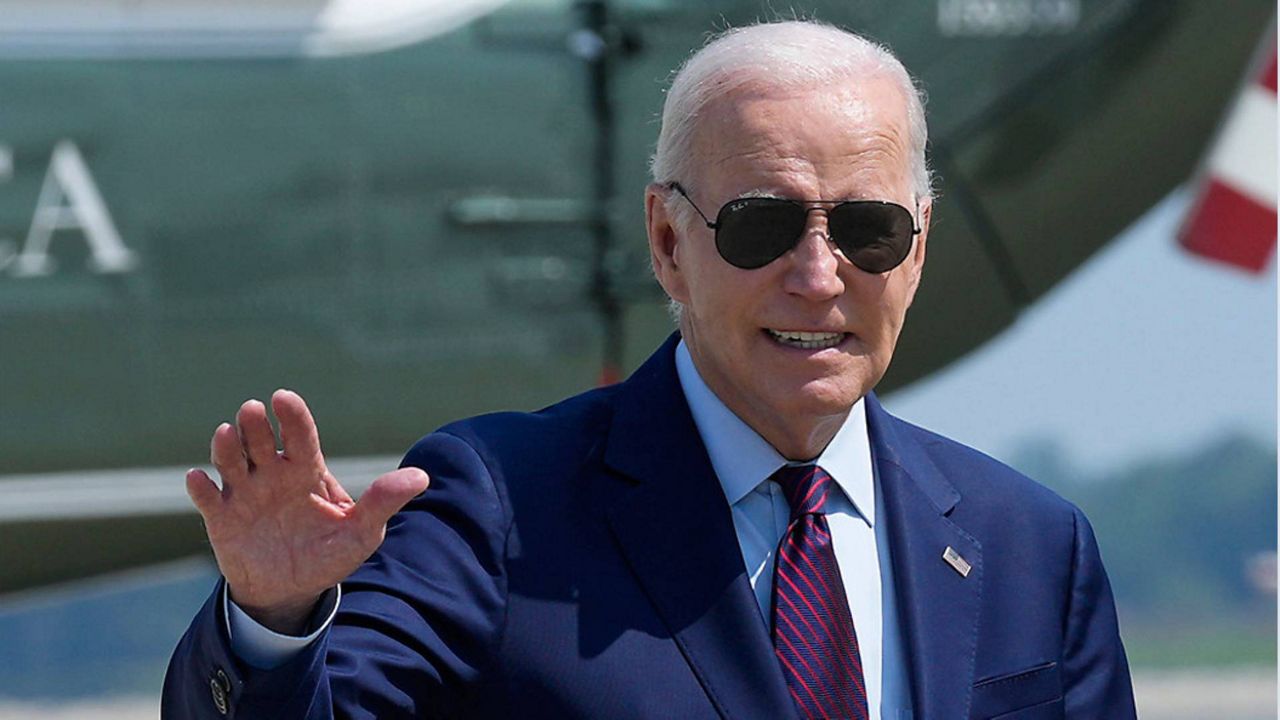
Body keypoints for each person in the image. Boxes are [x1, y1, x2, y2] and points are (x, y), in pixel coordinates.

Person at [163, 20, 1136, 720]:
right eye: (762, 224)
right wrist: (274, 622)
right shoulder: (501, 509)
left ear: (915, 249)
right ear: (667, 241)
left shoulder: (1030, 548)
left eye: (865, 230)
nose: (815, 276)